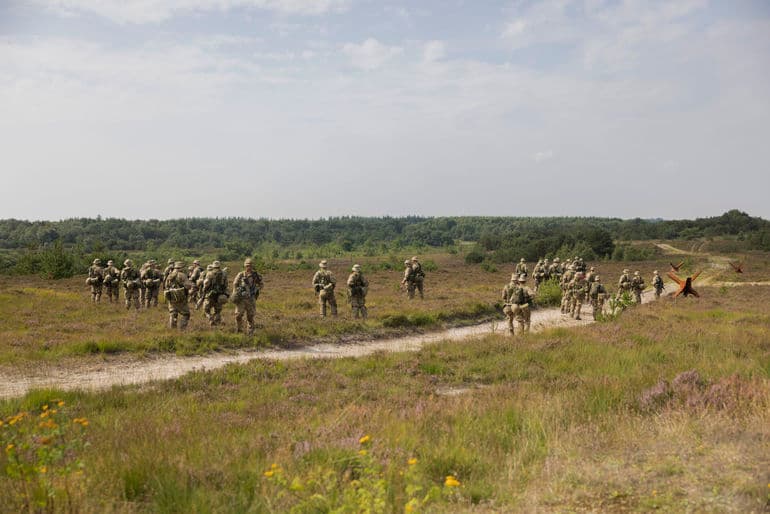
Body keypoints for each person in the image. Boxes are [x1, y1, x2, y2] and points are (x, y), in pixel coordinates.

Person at [232, 258, 264, 334]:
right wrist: (235, 294)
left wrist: (257, 289)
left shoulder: (256, 275)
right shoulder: (241, 274)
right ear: (244, 266)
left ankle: (250, 332)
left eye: (249, 265)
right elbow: (235, 284)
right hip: (241, 299)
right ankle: (239, 330)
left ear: (252, 266)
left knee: (250, 316)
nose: (248, 267)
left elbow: (261, 285)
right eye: (247, 265)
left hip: (251, 298)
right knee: (238, 315)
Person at [164, 261, 191, 329]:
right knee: (186, 314)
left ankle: (173, 328)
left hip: (171, 297)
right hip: (181, 297)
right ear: (181, 268)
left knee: (173, 313)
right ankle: (182, 328)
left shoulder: (170, 275)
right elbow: (188, 286)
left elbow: (166, 286)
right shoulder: (182, 275)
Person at [202, 260, 228, 325]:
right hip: (220, 295)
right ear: (219, 266)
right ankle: (217, 324)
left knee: (206, 310)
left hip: (210, 295)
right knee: (218, 311)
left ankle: (210, 319)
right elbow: (226, 284)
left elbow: (206, 284)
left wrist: (204, 291)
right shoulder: (224, 274)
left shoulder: (209, 273)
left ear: (213, 266)